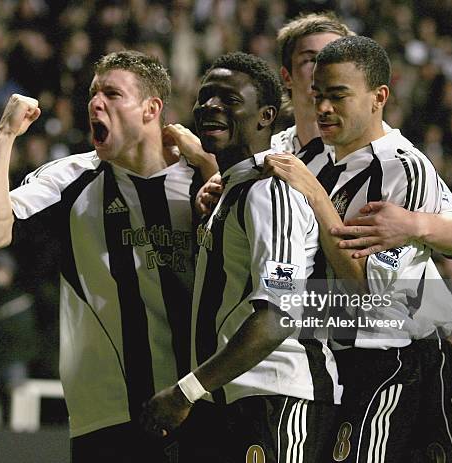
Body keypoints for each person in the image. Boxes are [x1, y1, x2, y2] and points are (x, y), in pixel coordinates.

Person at [0, 50, 217, 462]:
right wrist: (4, 136)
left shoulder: (200, 177)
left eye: (113, 94)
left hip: (199, 402)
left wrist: (210, 164)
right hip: (107, 414)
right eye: (93, 93)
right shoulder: (72, 176)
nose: (95, 103)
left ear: (150, 108)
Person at [264, 35, 452, 462]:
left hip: (398, 361)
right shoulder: (314, 158)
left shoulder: (404, 167)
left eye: (338, 97)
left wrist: (318, 200)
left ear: (379, 97)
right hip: (336, 360)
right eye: (319, 96)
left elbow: (371, 297)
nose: (324, 107)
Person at [141, 51, 342, 462]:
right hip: (236, 396)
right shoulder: (233, 190)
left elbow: (277, 317)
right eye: (206, 96)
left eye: (230, 100)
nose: (211, 106)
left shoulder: (271, 192)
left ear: (265, 116)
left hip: (280, 396)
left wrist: (187, 391)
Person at [197, 12, 452, 258]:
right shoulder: (272, 151)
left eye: (335, 53)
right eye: (312, 59)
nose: (326, 65)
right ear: (287, 76)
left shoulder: (396, 159)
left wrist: (417, 224)